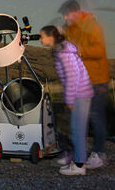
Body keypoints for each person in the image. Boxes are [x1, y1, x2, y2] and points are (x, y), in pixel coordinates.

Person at [59, 0, 109, 169]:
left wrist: (80, 50)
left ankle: (98, 154)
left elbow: (99, 50)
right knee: (80, 119)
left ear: (75, 12)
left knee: (95, 116)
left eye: (66, 15)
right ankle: (79, 152)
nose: (65, 18)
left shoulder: (92, 26)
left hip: (96, 79)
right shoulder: (72, 29)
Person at [39, 25, 94, 176]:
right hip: (81, 92)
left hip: (79, 93)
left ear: (51, 37)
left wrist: (70, 100)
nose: (40, 39)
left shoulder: (63, 52)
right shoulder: (62, 50)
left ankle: (79, 165)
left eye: (42, 36)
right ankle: (77, 158)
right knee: (76, 128)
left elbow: (72, 76)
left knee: (78, 130)